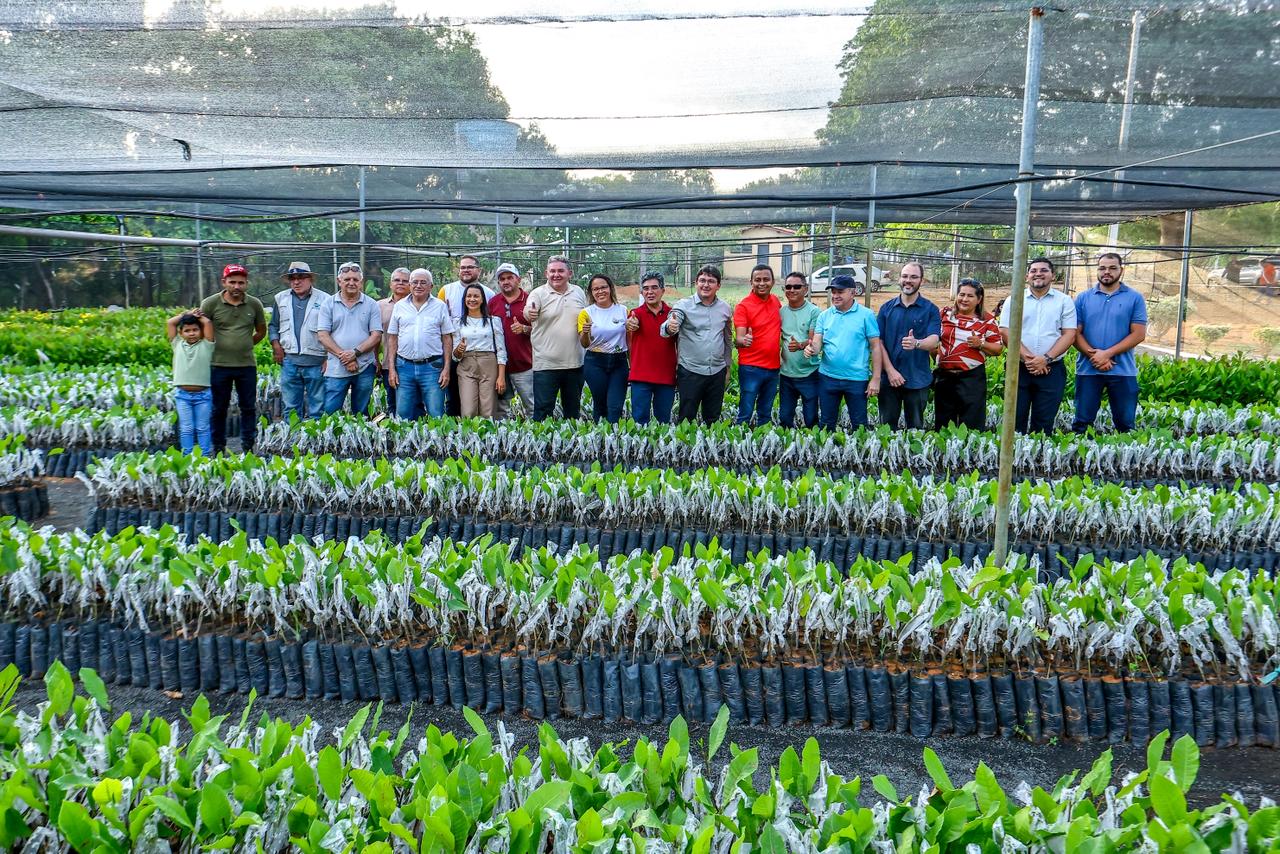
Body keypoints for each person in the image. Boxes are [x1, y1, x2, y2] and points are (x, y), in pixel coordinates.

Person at [999, 258, 1077, 433]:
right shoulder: (1014, 299)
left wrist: (1046, 359)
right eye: (1033, 271)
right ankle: (1015, 451)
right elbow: (1005, 330)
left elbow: (1069, 334)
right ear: (1026, 276)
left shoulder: (1064, 301)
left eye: (1044, 270)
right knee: (1014, 420)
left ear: (1053, 275)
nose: (1038, 274)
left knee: (1044, 423)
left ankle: (1038, 450)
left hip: (1051, 370)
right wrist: (1029, 359)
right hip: (1019, 368)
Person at [1072, 252, 1147, 433]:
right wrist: (1095, 356)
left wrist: (1107, 354)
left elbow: (1138, 334)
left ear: (1122, 270)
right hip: (1088, 369)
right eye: (1102, 268)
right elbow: (1074, 333)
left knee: (1126, 425)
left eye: (1113, 268)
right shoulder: (1083, 298)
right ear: (1097, 270)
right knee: (1082, 423)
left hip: (1123, 371)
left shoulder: (1135, 298)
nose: (1107, 272)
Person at [200, 263, 266, 453]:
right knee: (219, 408)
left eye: (241, 283)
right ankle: (218, 447)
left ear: (246, 284)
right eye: (232, 282)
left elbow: (261, 331)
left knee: (248, 407)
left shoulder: (254, 304)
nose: (237, 286)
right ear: (224, 282)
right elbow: (201, 330)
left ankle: (248, 446)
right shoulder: (210, 303)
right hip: (218, 364)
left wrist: (244, 344)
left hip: (246, 365)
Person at [804, 275, 881, 429]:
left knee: (859, 424)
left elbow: (875, 347)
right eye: (833, 292)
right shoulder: (824, 316)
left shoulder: (866, 315)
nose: (835, 296)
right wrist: (811, 349)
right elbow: (817, 343)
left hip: (856, 379)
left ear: (853, 292)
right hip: (828, 378)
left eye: (840, 292)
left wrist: (875, 378)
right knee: (826, 424)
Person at [663, 265, 734, 423]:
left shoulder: (725, 308)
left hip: (717, 371)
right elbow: (671, 322)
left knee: (713, 418)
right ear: (696, 283)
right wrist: (670, 326)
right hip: (690, 371)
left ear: (718, 285)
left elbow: (727, 339)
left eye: (711, 281)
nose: (706, 285)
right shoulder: (683, 305)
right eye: (702, 280)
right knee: (687, 418)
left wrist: (727, 367)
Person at [876, 261, 940, 430]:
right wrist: (890, 371)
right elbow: (878, 343)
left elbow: (934, 340)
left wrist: (917, 343)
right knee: (886, 430)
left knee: (915, 430)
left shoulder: (930, 309)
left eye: (914, 277)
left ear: (922, 281)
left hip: (918, 378)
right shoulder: (886, 309)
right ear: (899, 278)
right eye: (905, 276)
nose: (908, 280)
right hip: (889, 379)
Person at [934, 279, 1003, 430]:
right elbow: (932, 338)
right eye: (962, 294)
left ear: (979, 299)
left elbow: (998, 349)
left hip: (971, 378)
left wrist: (981, 344)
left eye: (970, 296)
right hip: (945, 377)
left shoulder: (987, 320)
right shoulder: (944, 314)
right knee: (943, 423)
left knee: (972, 423)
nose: (964, 299)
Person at [386, 269, 455, 420]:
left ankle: (436, 437)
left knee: (436, 413)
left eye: (423, 282)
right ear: (410, 285)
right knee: (403, 415)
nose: (418, 285)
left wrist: (446, 369)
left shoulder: (440, 306)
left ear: (431, 286)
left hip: (432, 368)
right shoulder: (399, 306)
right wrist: (392, 369)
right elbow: (392, 338)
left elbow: (447, 338)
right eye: (415, 282)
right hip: (404, 367)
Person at [525, 255, 588, 420]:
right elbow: (529, 310)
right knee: (543, 412)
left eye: (561, 271)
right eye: (552, 271)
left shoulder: (578, 292)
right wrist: (530, 313)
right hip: (545, 365)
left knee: (572, 413)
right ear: (546, 273)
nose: (556, 275)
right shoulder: (538, 293)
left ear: (570, 273)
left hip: (575, 365)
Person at [316, 261, 383, 415]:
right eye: (347, 279)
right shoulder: (328, 304)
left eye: (355, 279)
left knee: (361, 412)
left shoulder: (371, 304)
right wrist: (346, 357)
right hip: (336, 368)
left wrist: (355, 353)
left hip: (364, 367)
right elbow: (323, 335)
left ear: (361, 282)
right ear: (339, 281)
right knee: (331, 412)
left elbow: (376, 335)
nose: (351, 283)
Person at [268, 261, 331, 422]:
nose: (296, 282)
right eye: (293, 278)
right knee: (291, 408)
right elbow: (273, 325)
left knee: (318, 407)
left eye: (301, 278)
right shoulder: (280, 298)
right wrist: (276, 345)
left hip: (317, 362)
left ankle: (316, 436)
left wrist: (329, 357)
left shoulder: (325, 299)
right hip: (290, 362)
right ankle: (293, 436)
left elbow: (333, 330)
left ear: (310, 279)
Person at [439, 255, 496, 416]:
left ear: (479, 270)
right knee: (454, 397)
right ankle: (457, 428)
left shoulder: (489, 293)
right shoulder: (446, 290)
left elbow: (492, 323)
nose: (466, 270)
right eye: (463, 267)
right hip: (453, 351)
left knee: (485, 400)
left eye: (470, 267)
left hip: (483, 353)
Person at [626, 271, 678, 425]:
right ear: (642, 292)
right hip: (640, 376)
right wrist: (630, 324)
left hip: (666, 376)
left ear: (663, 290)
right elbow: (630, 326)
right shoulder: (635, 314)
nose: (650, 292)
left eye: (654, 287)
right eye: (646, 288)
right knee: (639, 421)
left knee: (663, 421)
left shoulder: (672, 315)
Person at [733, 264, 782, 425]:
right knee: (745, 412)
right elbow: (739, 338)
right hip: (751, 368)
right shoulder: (743, 306)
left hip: (773, 367)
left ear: (773, 282)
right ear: (751, 282)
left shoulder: (776, 302)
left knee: (766, 412)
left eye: (766, 279)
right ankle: (740, 438)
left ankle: (763, 437)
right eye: (757, 280)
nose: (762, 283)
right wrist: (743, 340)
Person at [579, 273, 629, 424]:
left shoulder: (624, 311)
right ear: (591, 292)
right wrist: (585, 332)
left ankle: (615, 434)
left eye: (603, 287)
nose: (600, 291)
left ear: (610, 288)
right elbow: (584, 344)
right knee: (600, 406)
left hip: (619, 362)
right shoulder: (586, 313)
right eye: (596, 289)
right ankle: (600, 435)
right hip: (595, 362)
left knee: (615, 406)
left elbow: (630, 339)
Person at [489, 263, 535, 419]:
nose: (506, 281)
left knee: (531, 406)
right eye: (502, 279)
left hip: (525, 365)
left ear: (518, 280)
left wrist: (525, 329)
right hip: (499, 367)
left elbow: (542, 331)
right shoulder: (493, 302)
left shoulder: (529, 301)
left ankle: (534, 433)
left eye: (510, 278)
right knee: (501, 409)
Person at [165, 309, 215, 455]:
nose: (192, 333)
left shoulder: (207, 345)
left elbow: (208, 323)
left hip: (203, 395)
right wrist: (187, 315)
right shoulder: (177, 344)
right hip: (183, 395)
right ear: (181, 333)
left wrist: (198, 317)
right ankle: (187, 456)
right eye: (187, 331)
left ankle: (205, 456)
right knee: (186, 428)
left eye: (195, 330)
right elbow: (170, 322)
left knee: (202, 428)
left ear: (201, 331)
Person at [454, 283, 507, 418]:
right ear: (464, 299)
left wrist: (501, 377)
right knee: (468, 410)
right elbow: (455, 356)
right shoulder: (457, 322)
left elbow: (501, 350)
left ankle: (488, 432)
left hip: (489, 363)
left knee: (488, 410)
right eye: (469, 296)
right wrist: (459, 350)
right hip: (466, 365)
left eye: (476, 296)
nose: (472, 299)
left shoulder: (493, 321)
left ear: (482, 299)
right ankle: (469, 432)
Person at [778, 271, 821, 428]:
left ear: (806, 289)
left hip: (809, 373)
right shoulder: (781, 312)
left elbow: (813, 340)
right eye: (788, 287)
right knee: (785, 418)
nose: (792, 290)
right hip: (786, 375)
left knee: (810, 419)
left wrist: (801, 345)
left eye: (797, 286)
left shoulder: (814, 311)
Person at [376, 267, 412, 415]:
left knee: (414, 404)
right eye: (397, 280)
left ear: (410, 284)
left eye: (405, 281)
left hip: (412, 364)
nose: (400, 283)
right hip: (388, 364)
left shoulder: (419, 305)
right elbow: (375, 335)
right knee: (392, 403)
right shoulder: (379, 306)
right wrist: (376, 360)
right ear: (390, 284)